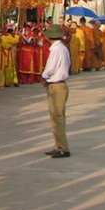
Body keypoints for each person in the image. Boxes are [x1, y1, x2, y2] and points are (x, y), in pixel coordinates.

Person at [40, 25, 71, 158]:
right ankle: (58, 145)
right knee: (55, 118)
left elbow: (51, 68)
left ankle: (63, 147)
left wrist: (44, 76)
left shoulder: (57, 49)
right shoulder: (61, 47)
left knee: (57, 117)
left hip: (56, 85)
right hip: (58, 84)